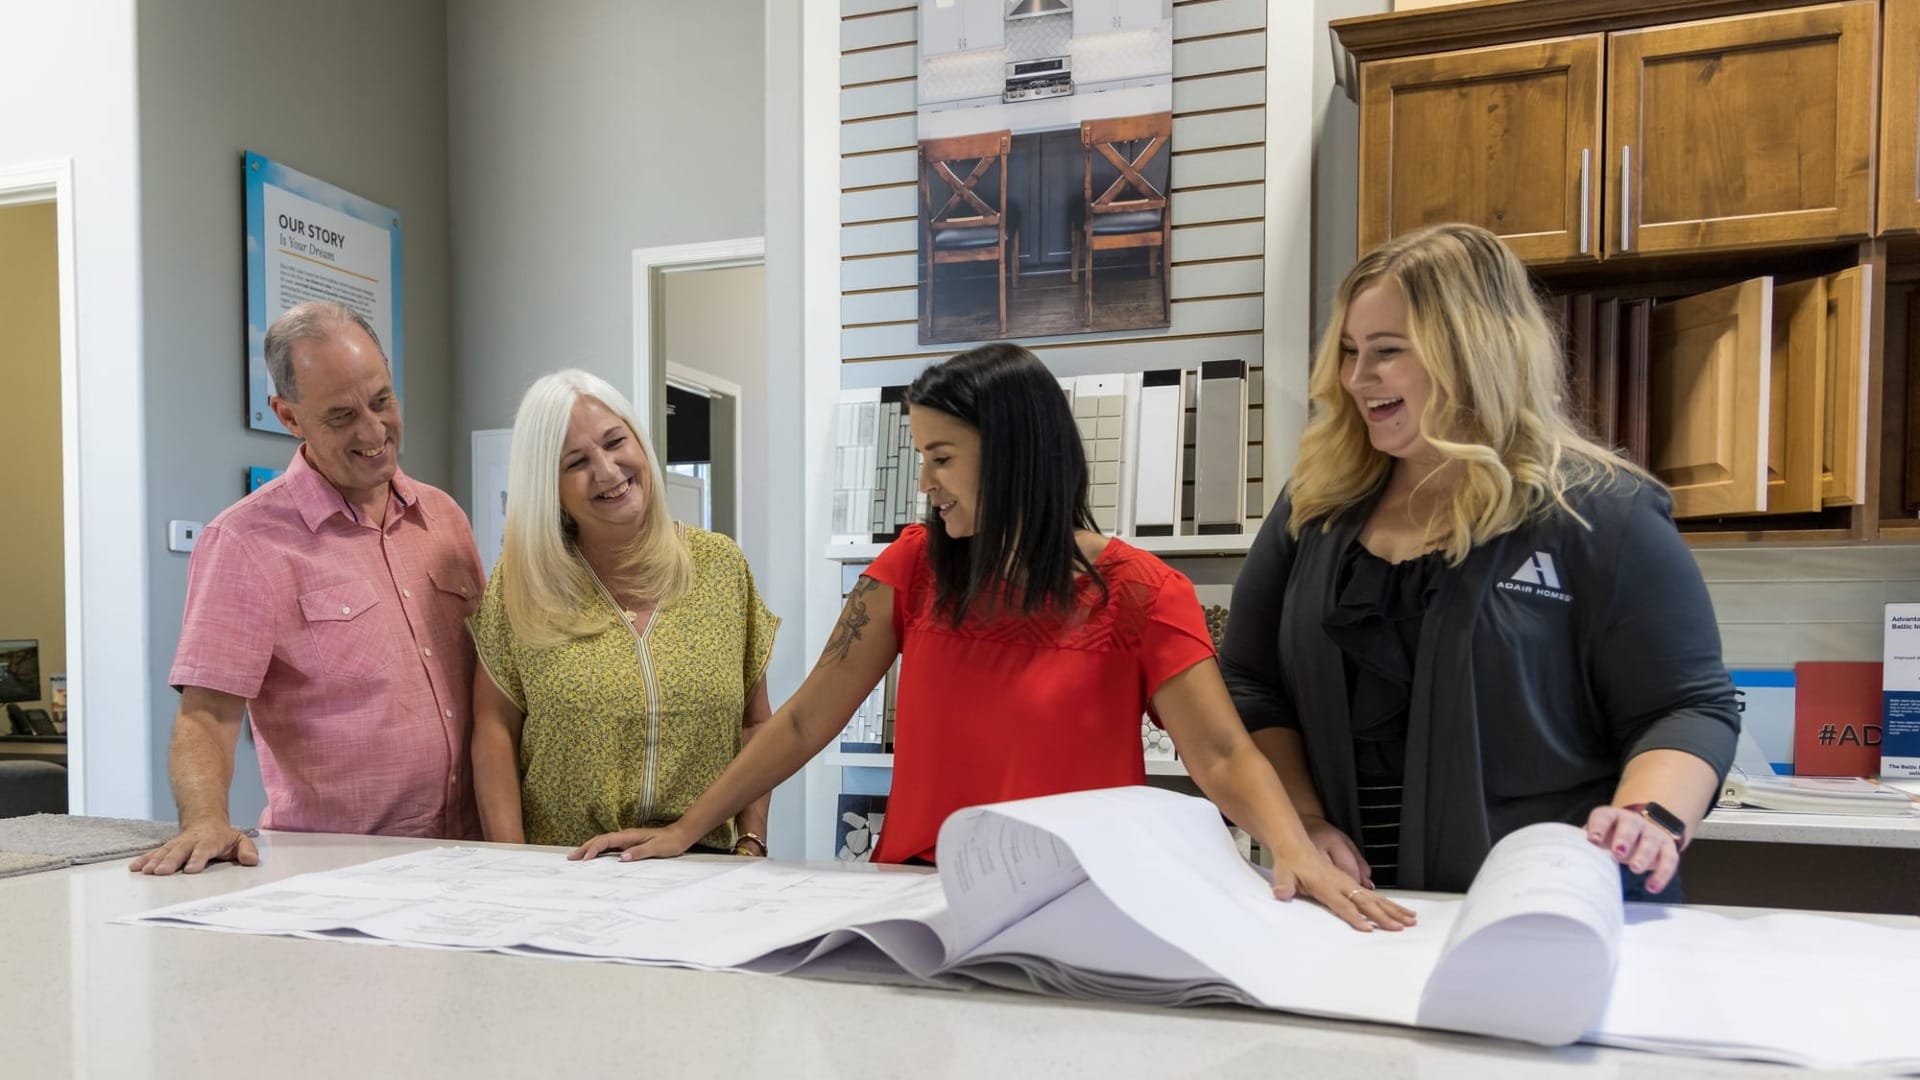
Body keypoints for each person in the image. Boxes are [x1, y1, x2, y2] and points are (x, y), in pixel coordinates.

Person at [571, 343, 1418, 933]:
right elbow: (800, 722)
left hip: (1079, 910)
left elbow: (1224, 755)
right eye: (918, 456)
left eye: (942, 457)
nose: (926, 484)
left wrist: (1297, 850)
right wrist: (689, 830)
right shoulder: (911, 568)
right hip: (913, 908)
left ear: (1012, 454)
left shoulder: (1142, 592)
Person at [1220, 222, 1739, 900]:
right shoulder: (1315, 508)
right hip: (1353, 910)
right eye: (1348, 351)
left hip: (1545, 910)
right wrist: (1302, 822)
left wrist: (1649, 815)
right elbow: (1252, 687)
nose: (1355, 378)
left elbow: (1688, 706)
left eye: (1387, 351)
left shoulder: (1601, 512)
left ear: (1472, 352)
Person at [133, 302, 487, 875]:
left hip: (476, 852)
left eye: (382, 401)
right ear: (288, 416)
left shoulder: (443, 517)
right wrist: (205, 820)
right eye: (341, 415)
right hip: (339, 870)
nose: (373, 431)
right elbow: (208, 714)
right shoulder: (245, 542)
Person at [467, 370, 778, 853]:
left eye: (615, 442)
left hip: (705, 867)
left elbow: (756, 724)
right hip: (565, 870)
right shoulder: (521, 584)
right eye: (576, 462)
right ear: (550, 488)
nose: (608, 471)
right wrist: (513, 865)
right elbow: (494, 731)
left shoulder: (720, 567)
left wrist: (751, 840)